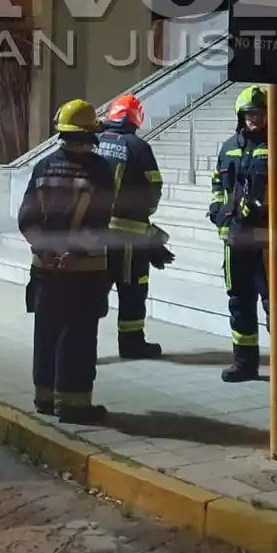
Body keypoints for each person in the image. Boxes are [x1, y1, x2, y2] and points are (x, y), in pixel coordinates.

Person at [208, 85, 277, 384]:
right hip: (236, 242)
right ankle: (244, 364)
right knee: (240, 304)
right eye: (248, 114)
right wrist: (220, 217)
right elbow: (219, 186)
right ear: (240, 115)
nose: (254, 119)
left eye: (259, 113)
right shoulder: (229, 147)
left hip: (271, 242)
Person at [19, 98, 117, 425]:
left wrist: (45, 251)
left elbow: (27, 217)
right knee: (78, 334)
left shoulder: (42, 167)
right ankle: (73, 405)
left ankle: (44, 398)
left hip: (44, 269)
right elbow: (98, 222)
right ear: (90, 133)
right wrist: (72, 253)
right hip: (83, 270)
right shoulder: (99, 170)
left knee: (46, 331)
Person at [96, 93, 175, 360]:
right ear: (135, 117)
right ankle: (132, 345)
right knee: (132, 290)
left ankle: (82, 346)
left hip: (95, 236)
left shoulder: (95, 142)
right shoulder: (138, 147)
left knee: (93, 290)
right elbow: (153, 189)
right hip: (129, 238)